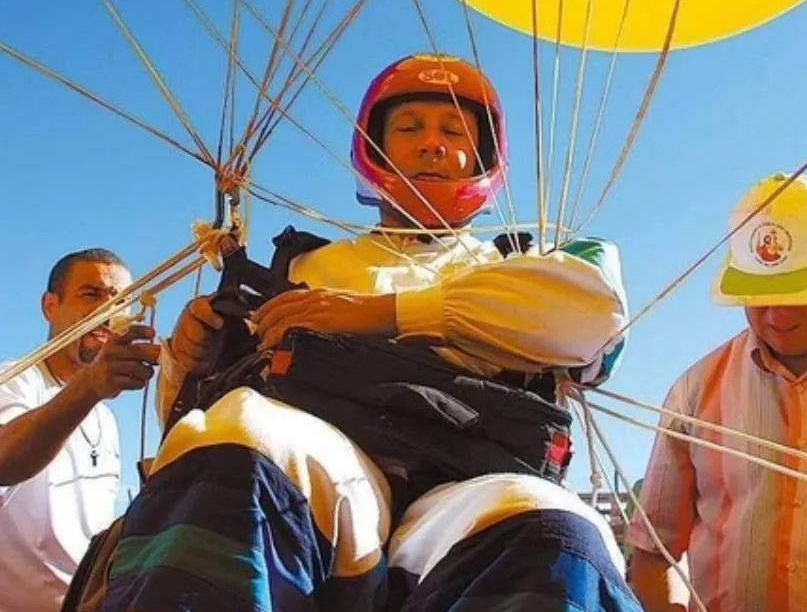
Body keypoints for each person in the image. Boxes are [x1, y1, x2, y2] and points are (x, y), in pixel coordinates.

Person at [100, 53, 641, 610]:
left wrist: (381, 313)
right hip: (322, 477)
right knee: (239, 434)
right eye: (409, 129)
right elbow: (184, 421)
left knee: (554, 527)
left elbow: (598, 322)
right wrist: (188, 360)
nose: (432, 143)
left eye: (455, 130)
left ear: (484, 155)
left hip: (471, 481)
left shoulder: (531, 262)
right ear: (372, 145)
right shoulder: (303, 266)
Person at [627, 172, 807, 611]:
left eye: (796, 292)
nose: (776, 314)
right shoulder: (693, 393)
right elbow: (653, 553)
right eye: (761, 294)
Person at [0, 249, 158, 612]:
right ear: (50, 305)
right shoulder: (13, 379)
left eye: (120, 300)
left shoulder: (104, 418)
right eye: (90, 294)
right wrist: (90, 386)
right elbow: (3, 462)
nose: (108, 310)